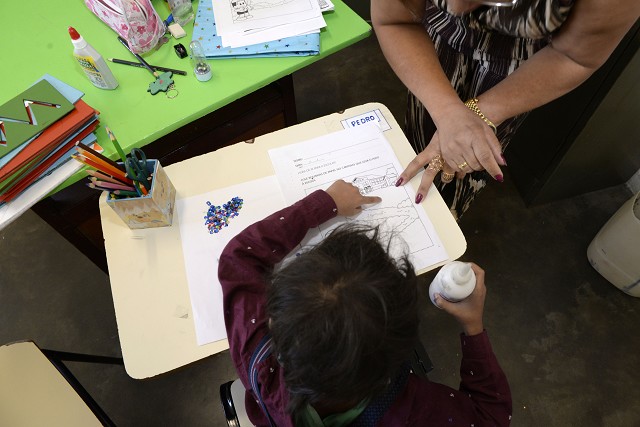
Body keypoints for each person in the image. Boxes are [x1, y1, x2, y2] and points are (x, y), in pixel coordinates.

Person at [219, 179, 512, 426]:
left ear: (272, 325)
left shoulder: (260, 364)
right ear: (401, 351)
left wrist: (325, 203)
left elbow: (238, 258)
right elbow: (490, 417)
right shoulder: (414, 409)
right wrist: (473, 327)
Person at [372, 0, 640, 219]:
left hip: (522, 76)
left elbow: (575, 56)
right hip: (429, 47)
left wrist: (480, 113)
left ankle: (447, 210)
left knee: (471, 158)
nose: (456, 6)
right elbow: (395, 20)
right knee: (422, 140)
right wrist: (447, 112)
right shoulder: (446, 12)